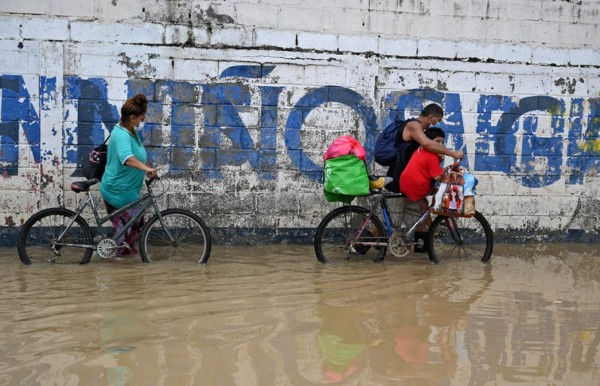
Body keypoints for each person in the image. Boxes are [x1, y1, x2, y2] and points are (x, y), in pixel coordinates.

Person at [387, 104, 463, 249]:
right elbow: (427, 144)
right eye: (437, 120)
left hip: (411, 180)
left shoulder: (422, 130)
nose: (436, 123)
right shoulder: (414, 126)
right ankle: (360, 246)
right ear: (431, 116)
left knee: (419, 216)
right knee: (392, 220)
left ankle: (423, 253)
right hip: (400, 178)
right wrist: (453, 154)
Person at [100, 93, 157, 256]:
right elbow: (127, 159)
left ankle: (123, 264)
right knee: (128, 233)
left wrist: (149, 167)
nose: (143, 121)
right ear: (132, 118)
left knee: (135, 224)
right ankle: (118, 269)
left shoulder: (130, 131)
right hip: (118, 191)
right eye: (141, 118)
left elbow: (138, 153)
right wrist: (146, 170)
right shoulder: (122, 135)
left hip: (126, 191)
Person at [399, 127, 447, 252]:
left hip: (406, 183)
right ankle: (432, 230)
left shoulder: (421, 150)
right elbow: (437, 176)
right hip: (416, 186)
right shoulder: (432, 155)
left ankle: (430, 233)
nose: (440, 145)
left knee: (424, 206)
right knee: (426, 206)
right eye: (437, 141)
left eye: (442, 142)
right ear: (430, 142)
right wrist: (446, 172)